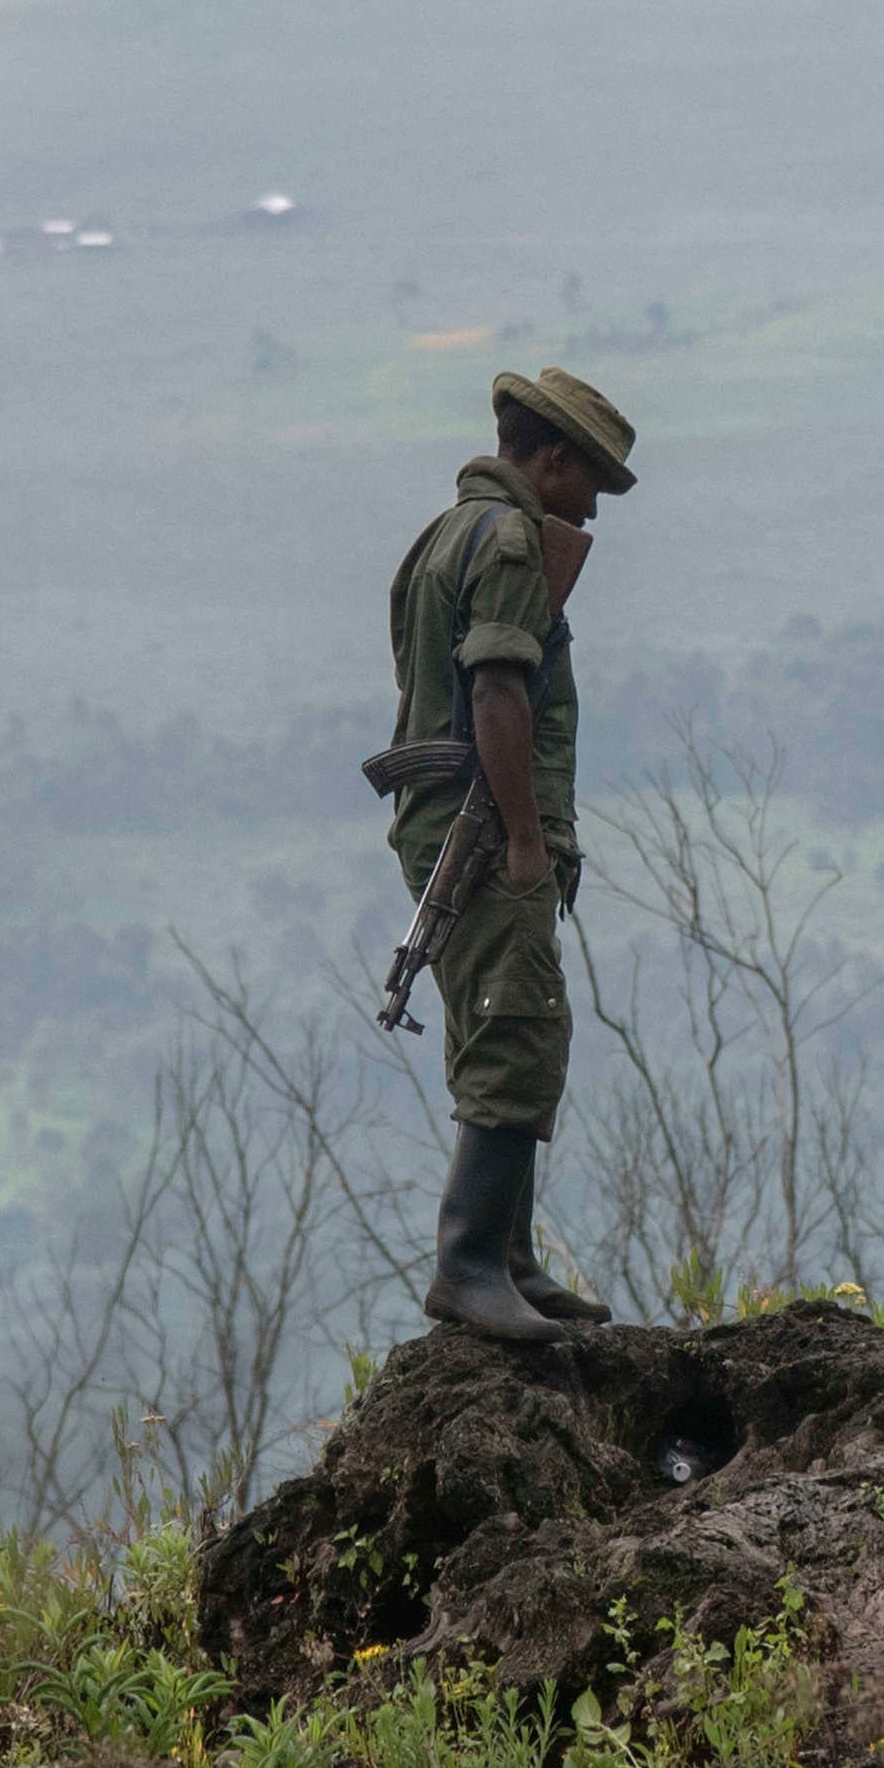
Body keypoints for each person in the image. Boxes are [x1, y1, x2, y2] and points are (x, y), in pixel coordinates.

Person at [384, 366, 637, 1341]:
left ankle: (509, 1258)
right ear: (551, 459)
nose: (592, 509)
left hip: (448, 816)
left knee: (508, 1026)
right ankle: (467, 1266)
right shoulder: (505, 543)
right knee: (516, 1028)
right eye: (588, 486)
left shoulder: (448, 532)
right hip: (483, 828)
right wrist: (526, 839)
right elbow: (495, 690)